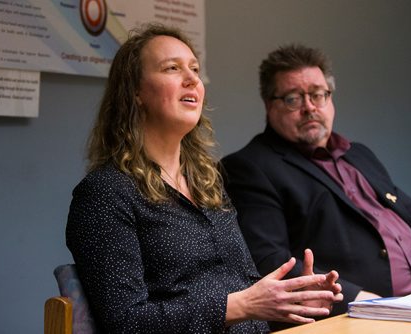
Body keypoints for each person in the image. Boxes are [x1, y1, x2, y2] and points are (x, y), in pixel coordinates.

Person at [66, 25, 343, 333]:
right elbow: (125, 323)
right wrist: (240, 306)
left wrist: (291, 303)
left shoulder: (208, 184)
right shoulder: (105, 194)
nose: (192, 79)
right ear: (136, 92)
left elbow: (245, 299)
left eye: (195, 69)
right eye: (172, 68)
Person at [221, 44, 411, 320]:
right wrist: (358, 300)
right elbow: (271, 260)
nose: (309, 108)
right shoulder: (251, 167)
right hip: (358, 317)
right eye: (293, 99)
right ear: (269, 105)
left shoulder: (358, 154)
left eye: (318, 95)